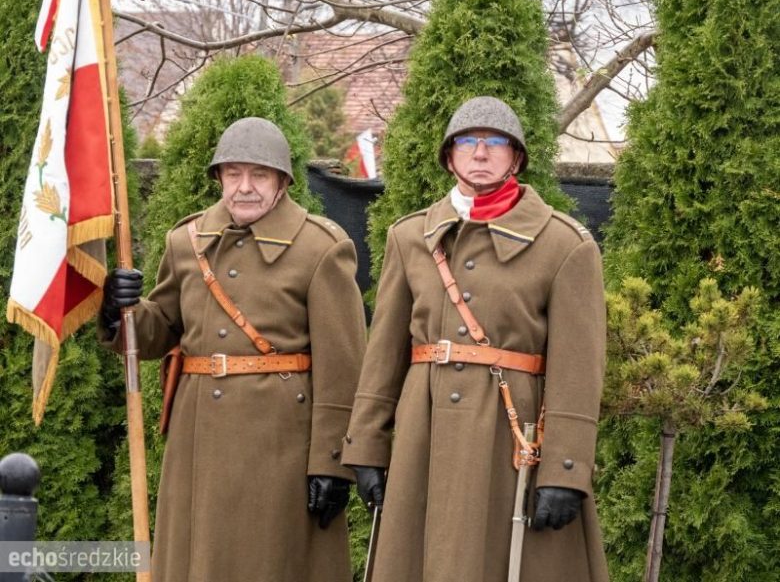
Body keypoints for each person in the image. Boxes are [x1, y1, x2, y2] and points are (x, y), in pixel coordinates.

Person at [341, 97, 609, 581]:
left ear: (516, 158)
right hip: (422, 433)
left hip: (510, 440)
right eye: (467, 141)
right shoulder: (409, 238)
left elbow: (578, 369)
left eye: (495, 143)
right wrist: (366, 445)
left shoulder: (566, 245)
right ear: (449, 156)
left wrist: (566, 470)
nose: (480, 153)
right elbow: (383, 355)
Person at [99, 117, 366, 581]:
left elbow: (344, 367)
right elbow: (159, 328)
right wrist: (116, 310)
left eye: (259, 175)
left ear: (282, 182)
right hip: (197, 442)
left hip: (281, 446)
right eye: (234, 173)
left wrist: (332, 463)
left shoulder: (320, 248)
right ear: (219, 177)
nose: (245, 187)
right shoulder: (186, 241)